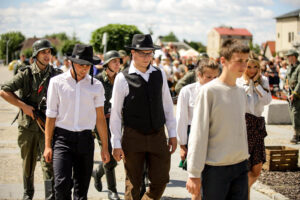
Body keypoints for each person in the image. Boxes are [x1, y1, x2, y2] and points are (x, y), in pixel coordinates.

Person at [110, 34, 177, 200]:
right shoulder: (122, 78)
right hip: (133, 136)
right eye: (142, 53)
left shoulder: (159, 74)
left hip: (157, 134)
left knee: (161, 179)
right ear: (133, 52)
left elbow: (168, 106)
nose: (147, 57)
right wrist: (116, 143)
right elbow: (116, 114)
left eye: (150, 53)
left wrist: (173, 134)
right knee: (133, 183)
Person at [43, 44, 110, 199]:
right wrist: (47, 146)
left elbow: (100, 118)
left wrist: (105, 148)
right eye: (81, 65)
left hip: (85, 140)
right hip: (62, 140)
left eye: (88, 65)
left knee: (81, 190)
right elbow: (51, 116)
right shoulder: (57, 82)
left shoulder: (97, 86)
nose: (84, 69)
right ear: (71, 62)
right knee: (61, 185)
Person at [186, 39, 250, 200]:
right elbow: (198, 133)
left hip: (241, 165)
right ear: (223, 61)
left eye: (246, 61)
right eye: (239, 61)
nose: (244, 66)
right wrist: (193, 173)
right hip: (216, 169)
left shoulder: (241, 92)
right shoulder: (209, 91)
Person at [0, 39, 61, 200]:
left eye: (49, 52)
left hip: (46, 126)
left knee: (48, 163)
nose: (47, 55)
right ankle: (28, 194)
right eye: (43, 52)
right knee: (28, 162)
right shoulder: (26, 73)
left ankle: (50, 196)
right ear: (36, 55)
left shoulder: (56, 75)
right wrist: (23, 106)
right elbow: (4, 91)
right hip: (27, 126)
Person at [176, 58, 219, 200]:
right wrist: (182, 145)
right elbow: (181, 120)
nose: (212, 80)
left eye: (215, 77)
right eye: (208, 77)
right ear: (199, 75)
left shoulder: (220, 91)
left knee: (213, 182)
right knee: (196, 182)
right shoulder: (187, 91)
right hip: (193, 137)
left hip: (215, 137)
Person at [236, 51, 272, 198]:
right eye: (249, 66)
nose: (251, 70)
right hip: (242, 125)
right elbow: (238, 100)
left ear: (259, 68)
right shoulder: (238, 81)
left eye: (255, 67)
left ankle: (241, 193)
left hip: (257, 126)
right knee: (243, 168)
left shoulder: (263, 81)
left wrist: (256, 83)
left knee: (256, 169)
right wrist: (248, 84)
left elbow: (267, 100)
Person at [92, 50, 122, 200]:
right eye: (114, 61)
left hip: (117, 121)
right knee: (109, 155)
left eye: (119, 61)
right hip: (101, 122)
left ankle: (97, 172)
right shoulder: (97, 80)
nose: (118, 64)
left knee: (117, 155)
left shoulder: (121, 79)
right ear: (107, 64)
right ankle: (112, 190)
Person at [284, 49, 300, 144]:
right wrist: (285, 85)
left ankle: (296, 135)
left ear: (293, 56)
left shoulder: (298, 67)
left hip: (297, 95)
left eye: (288, 56)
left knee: (295, 114)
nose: (287, 58)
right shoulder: (290, 67)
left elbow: (299, 82)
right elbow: (286, 78)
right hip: (290, 94)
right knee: (293, 114)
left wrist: (294, 93)